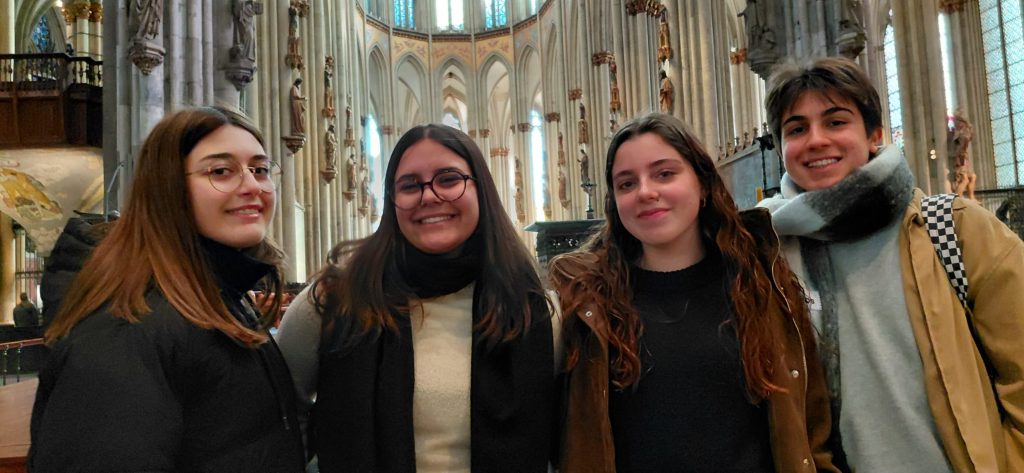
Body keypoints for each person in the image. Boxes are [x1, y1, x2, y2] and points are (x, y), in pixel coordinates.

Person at [758, 56, 1024, 472]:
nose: (816, 140)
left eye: (835, 122)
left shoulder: (954, 228)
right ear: (781, 149)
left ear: (874, 135)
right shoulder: (767, 252)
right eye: (797, 129)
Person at [551, 112, 838, 473]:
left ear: (703, 185)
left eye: (664, 174)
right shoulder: (586, 303)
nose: (645, 192)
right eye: (626, 183)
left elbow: (812, 423)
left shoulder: (763, 282)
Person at [29, 106, 304, 472]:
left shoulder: (220, 292)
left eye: (260, 169)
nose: (253, 186)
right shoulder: (128, 326)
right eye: (221, 171)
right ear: (167, 187)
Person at [276, 124, 558, 472]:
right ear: (391, 201)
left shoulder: (536, 313)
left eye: (448, 179)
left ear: (481, 189)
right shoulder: (333, 302)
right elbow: (280, 419)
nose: (429, 196)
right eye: (410, 185)